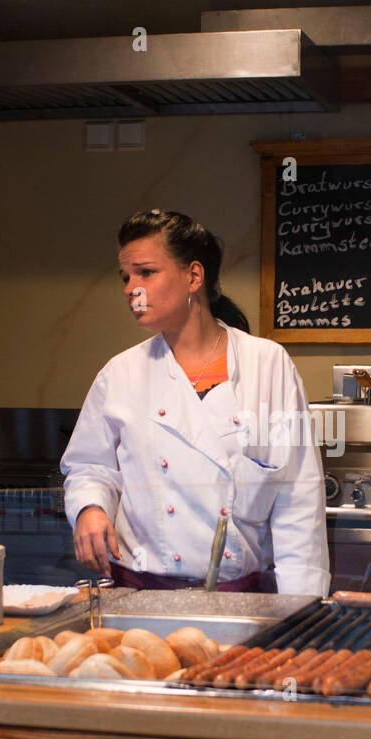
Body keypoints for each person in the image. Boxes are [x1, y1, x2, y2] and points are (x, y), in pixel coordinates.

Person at [60, 209, 330, 597]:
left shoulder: (267, 365)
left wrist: (301, 609)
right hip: (137, 597)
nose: (129, 288)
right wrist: (89, 507)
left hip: (237, 597)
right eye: (126, 277)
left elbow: (298, 497)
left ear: (194, 276)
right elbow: (90, 466)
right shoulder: (120, 374)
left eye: (146, 273)